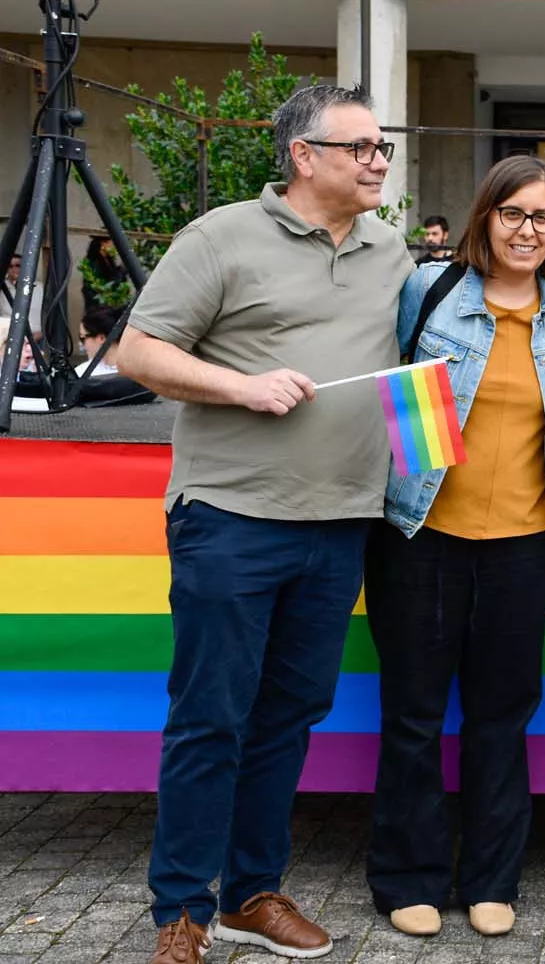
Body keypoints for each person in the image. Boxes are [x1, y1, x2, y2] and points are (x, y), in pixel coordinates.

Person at [114, 84, 411, 964]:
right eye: (360, 148)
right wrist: (242, 385)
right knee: (211, 716)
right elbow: (140, 349)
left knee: (288, 717)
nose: (378, 162)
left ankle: (250, 893)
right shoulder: (222, 237)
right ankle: (181, 907)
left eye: (382, 148)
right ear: (302, 154)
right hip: (233, 517)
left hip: (343, 522)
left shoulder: (390, 249)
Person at [362, 154, 545, 940]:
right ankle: (408, 878)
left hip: (526, 548)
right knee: (414, 715)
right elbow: (382, 385)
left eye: (542, 217)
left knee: (501, 718)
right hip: (420, 538)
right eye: (513, 213)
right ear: (484, 216)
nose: (527, 230)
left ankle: (492, 879)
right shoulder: (431, 291)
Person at [82, 236, 129, 311]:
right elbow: (107, 283)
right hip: (99, 304)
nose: (112, 246)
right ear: (103, 244)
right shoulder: (93, 262)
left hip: (110, 302)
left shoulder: (109, 259)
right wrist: (120, 272)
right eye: (110, 243)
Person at [78, 306, 122, 374]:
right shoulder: (81, 371)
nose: (80, 344)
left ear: (101, 338)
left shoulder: (82, 373)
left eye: (82, 338)